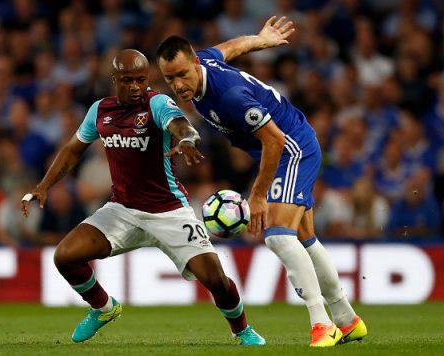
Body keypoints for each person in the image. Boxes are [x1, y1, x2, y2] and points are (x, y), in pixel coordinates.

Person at [21, 49, 265, 345]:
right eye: (127, 80)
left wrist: (187, 138)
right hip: (121, 210)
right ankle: (103, 309)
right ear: (114, 79)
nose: (135, 86)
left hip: (169, 211)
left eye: (140, 79)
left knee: (215, 279)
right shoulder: (100, 111)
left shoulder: (157, 103)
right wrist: (44, 185)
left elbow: (180, 124)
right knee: (65, 257)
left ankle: (242, 330)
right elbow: (73, 149)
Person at [157, 16, 367, 347]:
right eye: (170, 79)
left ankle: (321, 325)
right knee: (304, 237)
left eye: (183, 74)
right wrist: (260, 38)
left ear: (194, 63)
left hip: (291, 148)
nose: (179, 85)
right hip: (282, 147)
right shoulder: (206, 62)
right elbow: (230, 47)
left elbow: (275, 141)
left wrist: (257, 196)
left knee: (278, 236)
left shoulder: (230, 97)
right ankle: (347, 320)